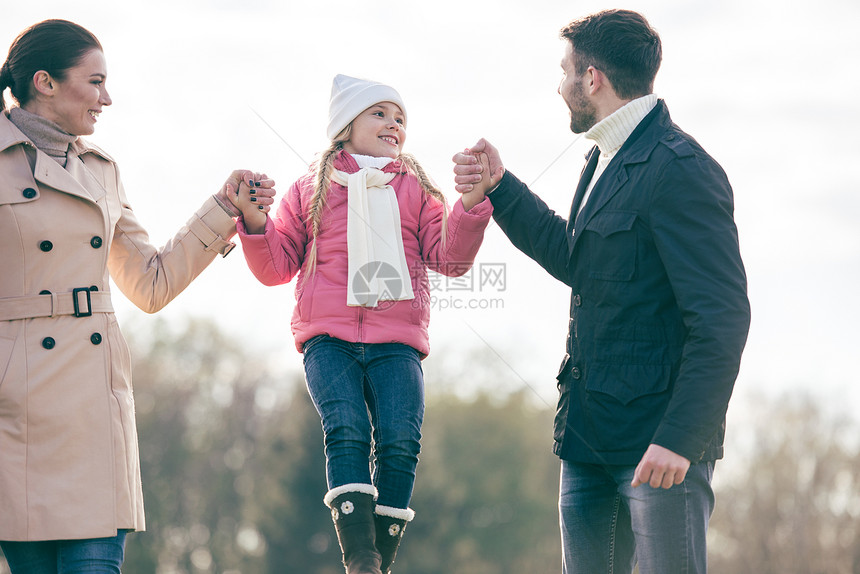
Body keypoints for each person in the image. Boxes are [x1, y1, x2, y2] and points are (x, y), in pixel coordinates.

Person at [453, 9, 751, 574]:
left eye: (564, 71)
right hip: (588, 437)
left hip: (659, 450)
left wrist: (681, 439)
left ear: (592, 78)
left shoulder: (682, 168)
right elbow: (578, 260)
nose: (559, 85)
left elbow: (723, 320)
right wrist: (501, 188)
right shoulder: (603, 157)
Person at [0, 19, 274, 573]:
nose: (107, 98)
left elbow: (149, 284)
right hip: (14, 421)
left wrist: (223, 206)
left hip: (95, 417)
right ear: (45, 82)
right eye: (95, 81)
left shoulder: (102, 173)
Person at [233, 74, 492, 574]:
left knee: (400, 438)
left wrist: (472, 204)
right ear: (345, 125)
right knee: (346, 428)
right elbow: (276, 265)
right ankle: (359, 556)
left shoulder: (414, 188)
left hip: (398, 341)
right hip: (327, 338)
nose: (393, 124)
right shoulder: (312, 188)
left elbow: (450, 257)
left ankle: (379, 560)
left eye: (401, 118)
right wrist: (256, 222)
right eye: (380, 113)